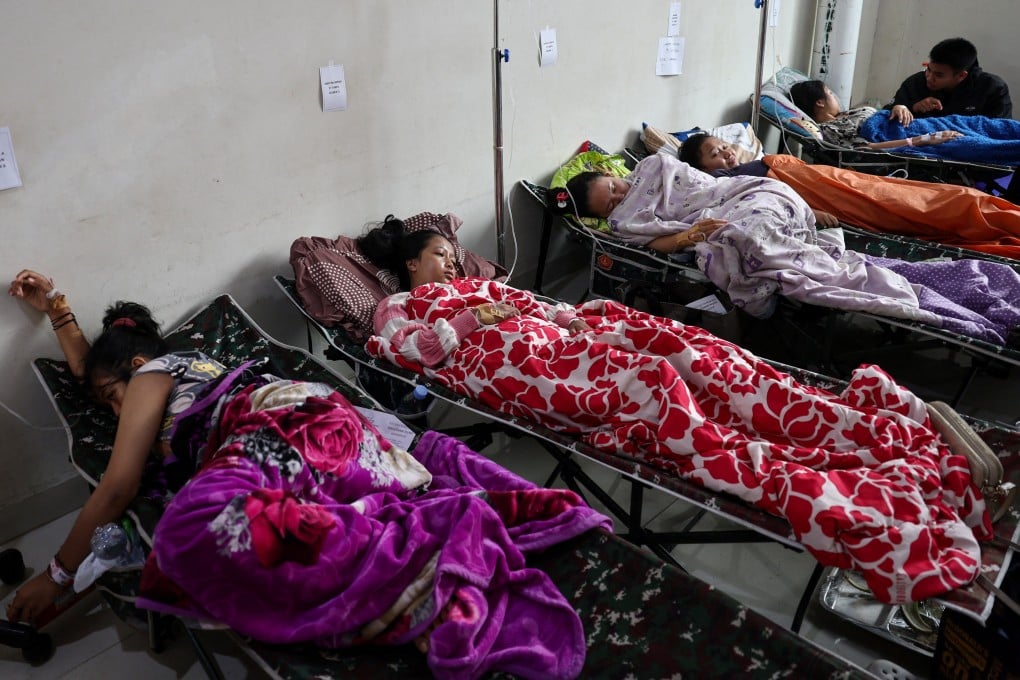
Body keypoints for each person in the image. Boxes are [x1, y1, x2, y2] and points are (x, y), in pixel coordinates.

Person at [359, 216, 1000, 604]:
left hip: (561, 339)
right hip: (515, 369)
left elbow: (536, 309)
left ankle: (823, 419)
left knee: (694, 347)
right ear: (410, 264)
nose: (451, 261)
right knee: (652, 380)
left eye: (452, 253)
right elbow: (408, 353)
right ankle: (793, 461)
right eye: (439, 254)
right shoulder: (402, 307)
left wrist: (564, 315)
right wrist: (474, 319)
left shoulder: (482, 282)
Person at [6, 269, 605, 680]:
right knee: (267, 516)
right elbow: (91, 378)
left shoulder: (151, 375)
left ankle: (432, 555)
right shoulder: (155, 372)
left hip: (280, 422)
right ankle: (407, 531)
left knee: (190, 525)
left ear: (137, 368)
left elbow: (119, 484)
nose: (114, 415)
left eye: (114, 400)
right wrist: (56, 310)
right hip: (327, 434)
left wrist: (57, 576)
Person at [559, 154, 1020, 348]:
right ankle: (897, 286)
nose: (624, 196)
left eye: (616, 186)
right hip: (731, 219)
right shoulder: (624, 224)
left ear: (615, 171)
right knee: (742, 238)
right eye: (611, 203)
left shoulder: (655, 166)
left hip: (751, 193)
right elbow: (658, 237)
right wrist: (691, 236)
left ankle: (816, 263)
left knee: (753, 226)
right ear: (604, 216)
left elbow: (706, 183)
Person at [678, 133, 1020, 259]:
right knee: (938, 208)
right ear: (703, 169)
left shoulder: (754, 160)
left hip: (830, 179)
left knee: (940, 194)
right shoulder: (724, 183)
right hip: (823, 195)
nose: (726, 154)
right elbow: (764, 198)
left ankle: (999, 217)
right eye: (714, 154)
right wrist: (807, 209)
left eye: (723, 146)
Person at [789, 79, 964, 149]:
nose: (835, 96)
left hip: (915, 123)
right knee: (968, 139)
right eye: (830, 93)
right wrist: (924, 139)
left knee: (965, 123)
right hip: (913, 135)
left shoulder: (845, 114)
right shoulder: (830, 129)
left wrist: (898, 107)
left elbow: (883, 114)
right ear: (819, 102)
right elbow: (866, 148)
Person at [889, 37, 1012, 125]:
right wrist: (911, 107)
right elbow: (885, 114)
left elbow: (999, 129)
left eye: (939, 75)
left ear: (961, 76)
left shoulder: (992, 88)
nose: (929, 78)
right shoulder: (916, 82)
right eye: (928, 69)